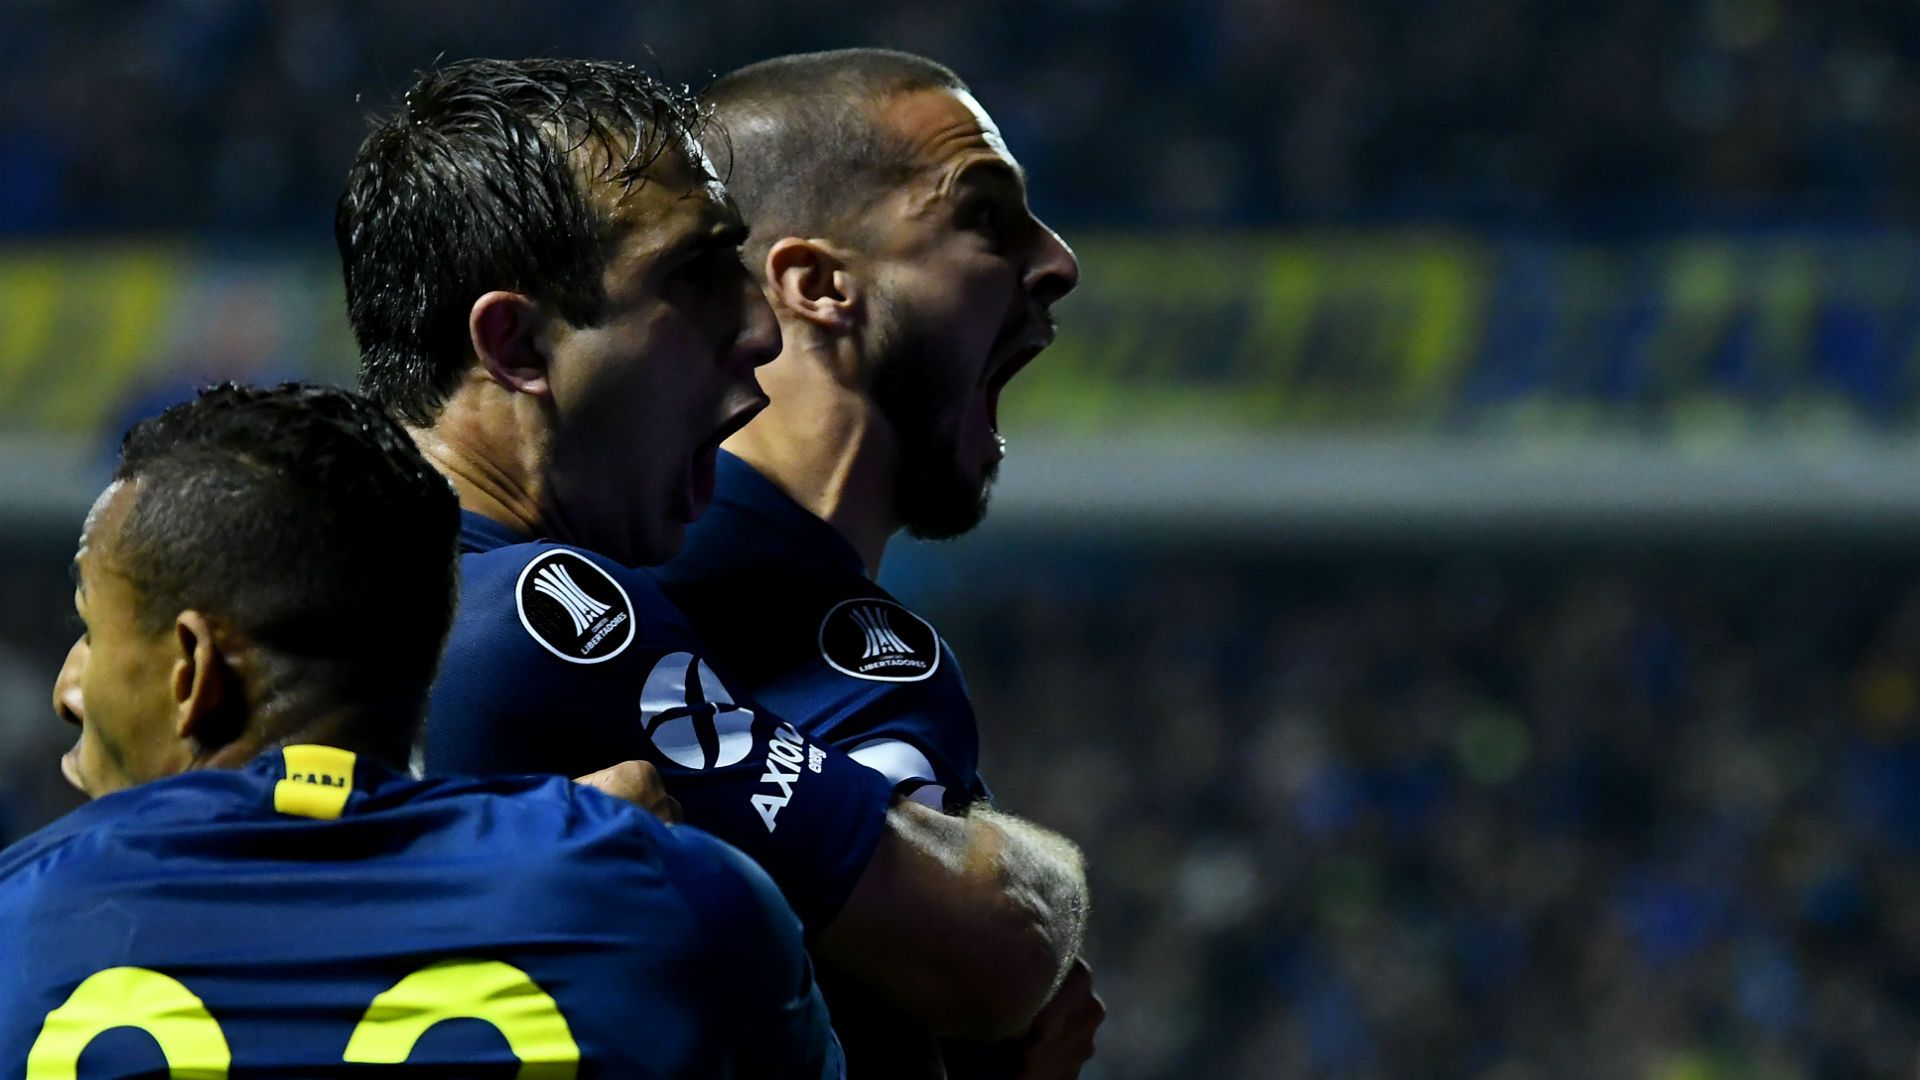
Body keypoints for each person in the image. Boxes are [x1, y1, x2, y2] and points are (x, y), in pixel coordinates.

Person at [337, 55, 1090, 1059]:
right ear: (518, 348)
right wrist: (1023, 884)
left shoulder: (293, 593)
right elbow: (997, 947)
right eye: (696, 279)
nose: (753, 332)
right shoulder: (550, 621)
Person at [0, 383, 842, 1077]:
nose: (69, 689)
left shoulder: (19, 924)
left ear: (195, 671)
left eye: (94, 633)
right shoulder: (669, 896)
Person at [656, 49, 1100, 1077]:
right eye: (983, 216)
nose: (1058, 260)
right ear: (817, 286)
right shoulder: (602, 603)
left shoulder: (853, 636)